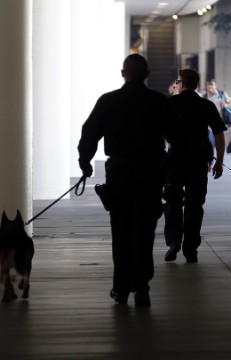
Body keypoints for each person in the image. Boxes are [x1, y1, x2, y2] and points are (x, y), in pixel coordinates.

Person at [77, 53, 176, 306]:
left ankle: (120, 289)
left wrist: (85, 162)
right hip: (150, 173)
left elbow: (89, 132)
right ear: (147, 75)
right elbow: (175, 137)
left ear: (123, 74)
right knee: (143, 231)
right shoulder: (159, 102)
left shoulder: (108, 101)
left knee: (120, 230)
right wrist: (166, 167)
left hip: (119, 173)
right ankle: (141, 287)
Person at [164, 68, 226, 263]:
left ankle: (174, 242)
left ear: (181, 83)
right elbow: (219, 134)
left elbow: (157, 131)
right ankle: (190, 248)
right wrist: (219, 162)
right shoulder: (206, 105)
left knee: (173, 202)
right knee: (194, 205)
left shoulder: (170, 103)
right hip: (199, 161)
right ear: (197, 85)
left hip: (175, 160)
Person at [204, 79, 231, 149]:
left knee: (219, 143)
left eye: (211, 86)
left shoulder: (222, 94)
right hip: (210, 124)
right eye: (208, 86)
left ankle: (219, 157)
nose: (210, 88)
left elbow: (230, 102)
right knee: (211, 142)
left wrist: (226, 104)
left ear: (215, 86)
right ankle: (212, 158)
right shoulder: (205, 96)